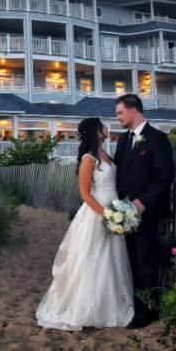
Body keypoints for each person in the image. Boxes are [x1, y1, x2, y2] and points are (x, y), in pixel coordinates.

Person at [36, 118, 134, 330]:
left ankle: (108, 306)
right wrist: (106, 214)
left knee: (110, 259)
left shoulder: (106, 155)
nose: (107, 128)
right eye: (103, 126)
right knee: (92, 258)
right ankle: (85, 309)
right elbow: (84, 193)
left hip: (114, 206)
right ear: (95, 132)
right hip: (96, 213)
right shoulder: (88, 159)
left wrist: (118, 211)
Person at [113, 94, 175, 328]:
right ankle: (132, 307)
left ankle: (146, 312)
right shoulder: (122, 140)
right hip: (124, 211)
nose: (117, 117)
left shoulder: (158, 139)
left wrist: (143, 202)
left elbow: (165, 175)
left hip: (147, 212)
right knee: (129, 260)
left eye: (120, 113)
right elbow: (120, 172)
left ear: (133, 111)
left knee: (144, 260)